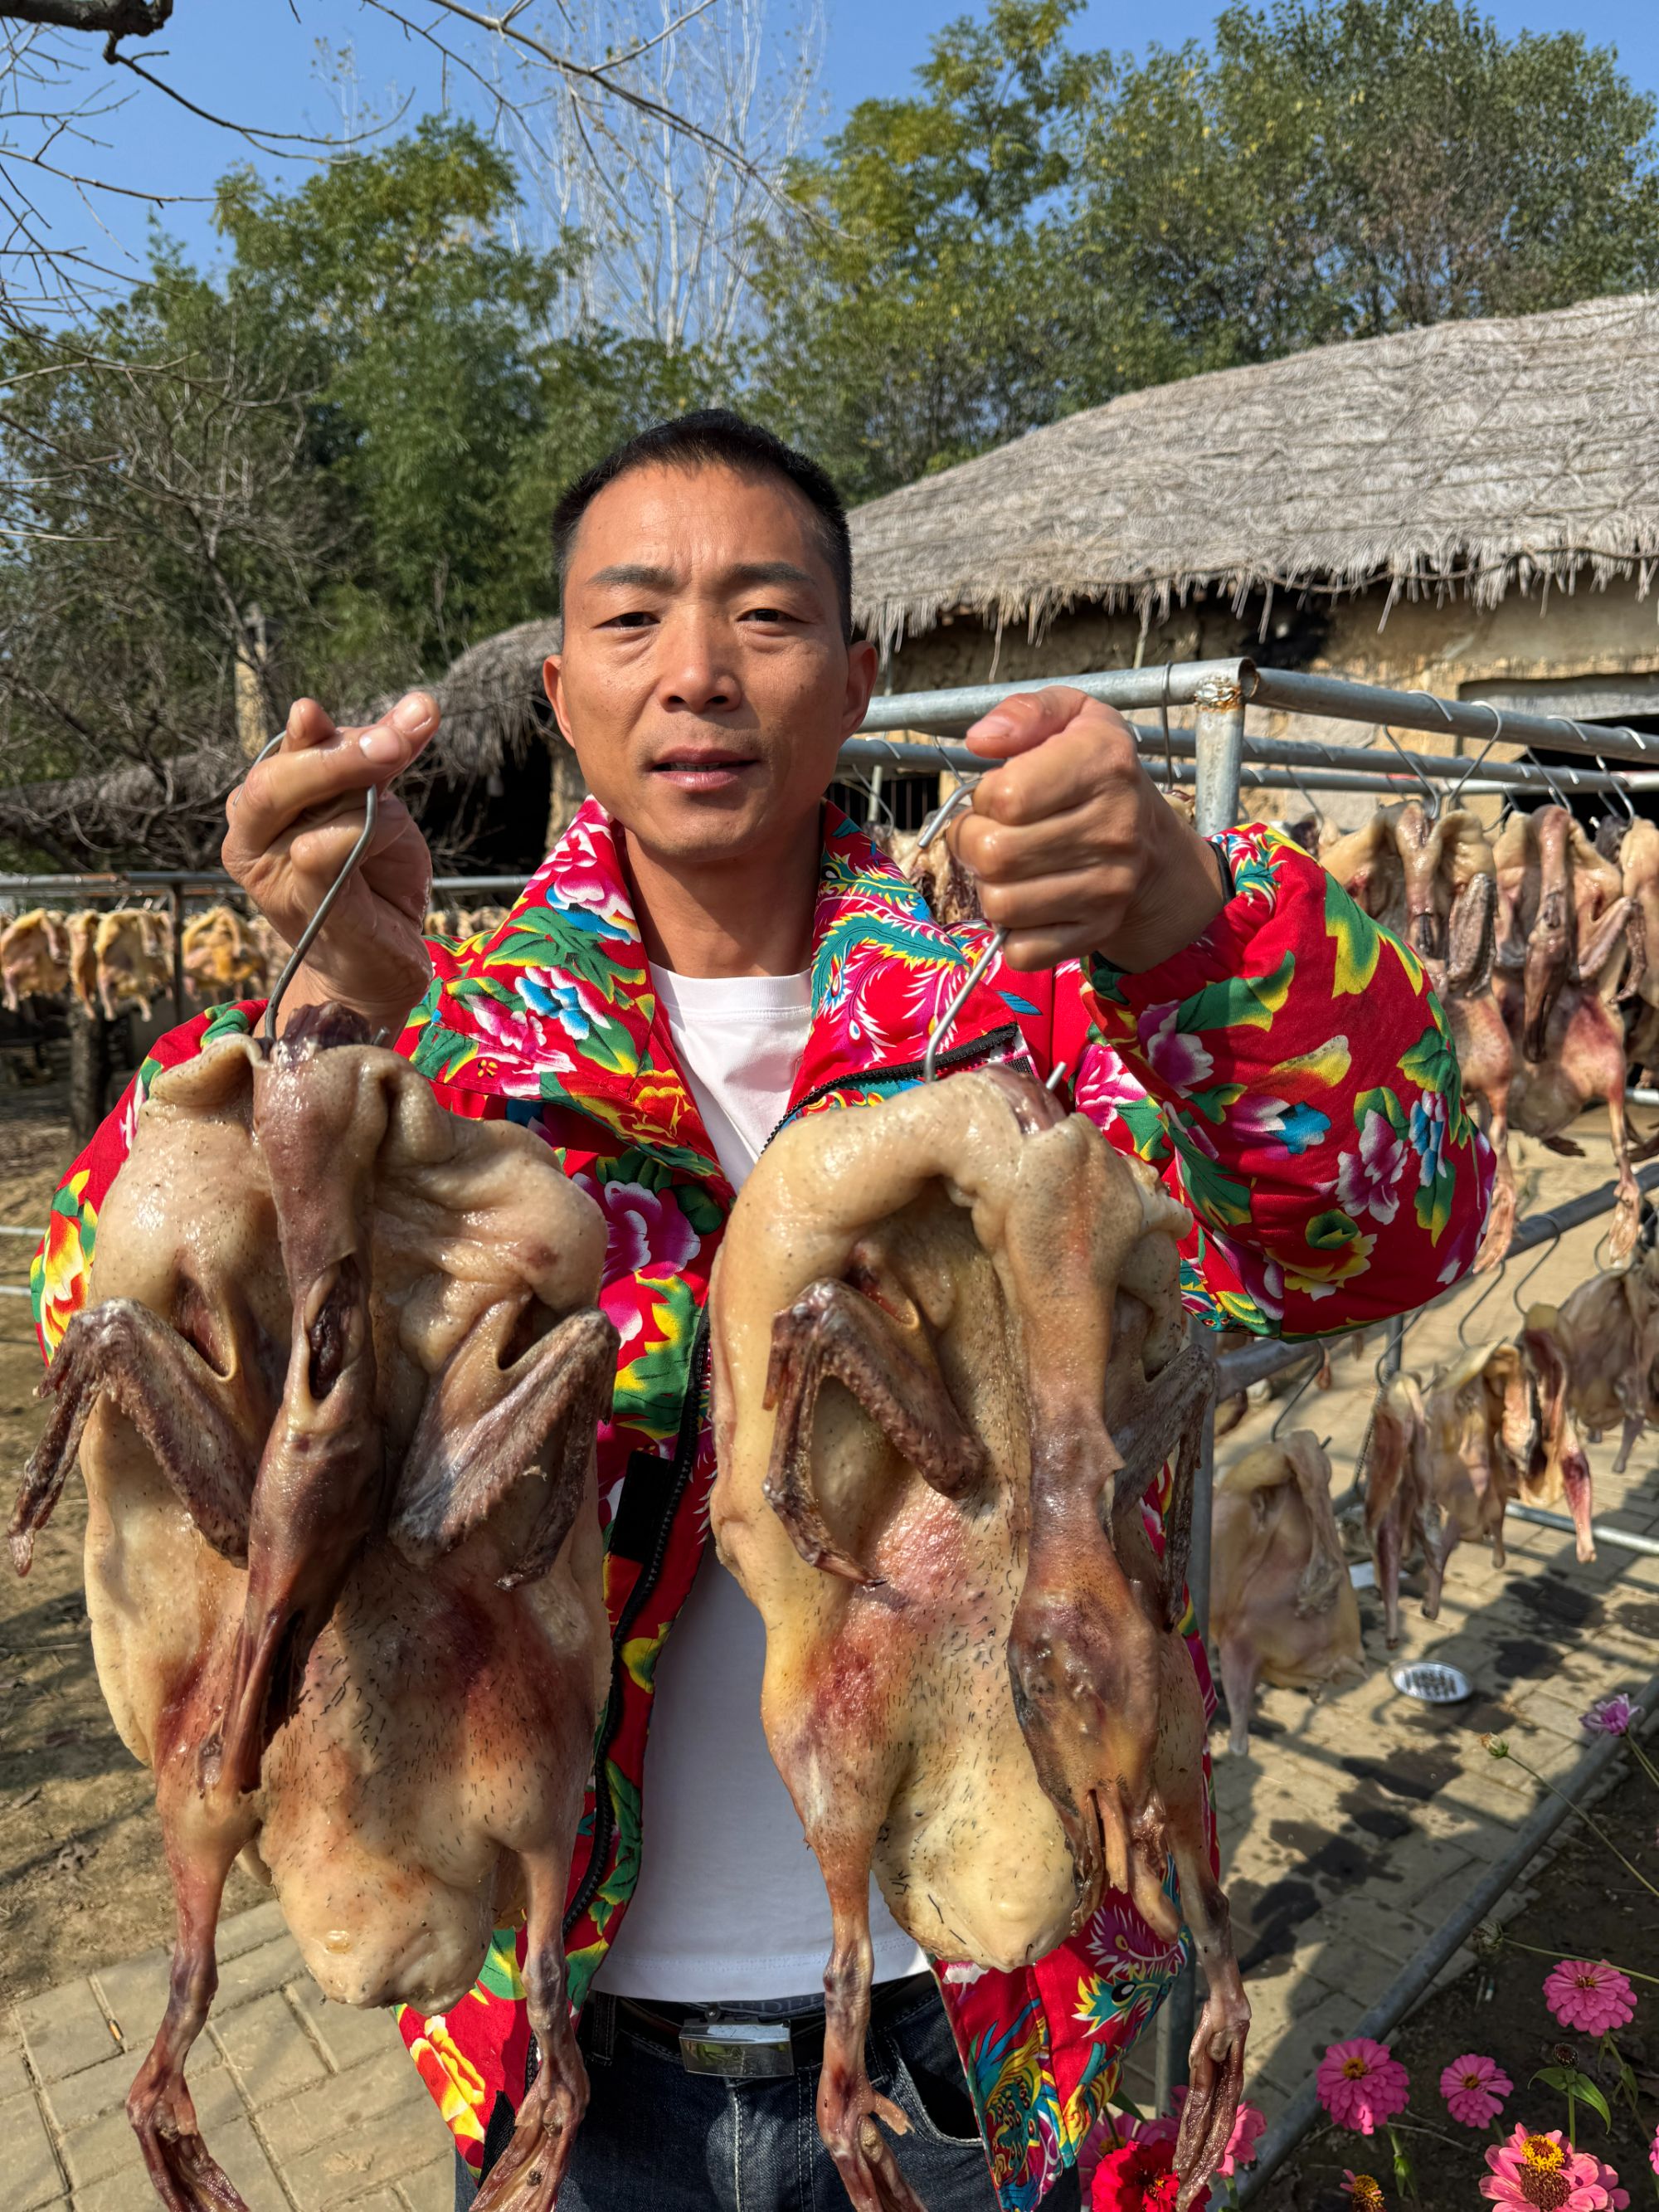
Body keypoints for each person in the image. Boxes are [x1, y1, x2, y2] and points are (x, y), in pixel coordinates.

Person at [36, 411, 1491, 2212]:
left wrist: (1194, 918)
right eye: (635, 621)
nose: (701, 673)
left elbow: (1399, 1229)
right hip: (570, 2056)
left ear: (861, 672)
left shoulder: (1035, 1025)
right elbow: (99, 1320)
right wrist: (329, 1000)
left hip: (983, 2030)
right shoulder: (456, 1062)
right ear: (560, 694)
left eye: (768, 617)